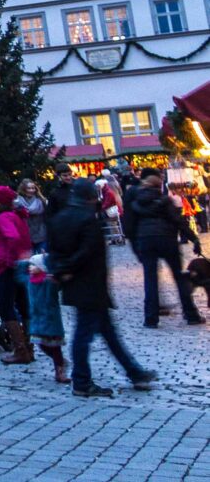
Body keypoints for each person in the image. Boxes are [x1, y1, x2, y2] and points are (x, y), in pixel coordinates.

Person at [47, 178, 154, 397]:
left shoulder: (59, 219)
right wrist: (68, 268)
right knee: (83, 335)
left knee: (108, 333)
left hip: (75, 283)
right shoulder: (87, 219)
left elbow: (54, 250)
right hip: (90, 284)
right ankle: (82, 382)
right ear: (90, 197)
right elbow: (87, 252)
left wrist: (60, 271)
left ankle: (135, 373)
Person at [127, 167, 205, 327]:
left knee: (150, 279)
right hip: (167, 240)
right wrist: (194, 239)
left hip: (146, 241)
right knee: (179, 277)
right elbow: (178, 221)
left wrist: (136, 248)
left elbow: (130, 227)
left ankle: (150, 318)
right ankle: (191, 315)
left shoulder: (136, 203)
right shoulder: (165, 201)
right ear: (158, 186)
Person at [0, 185, 33, 363]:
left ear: (0, 202)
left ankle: (20, 350)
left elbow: (12, 238)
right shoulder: (16, 215)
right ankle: (29, 348)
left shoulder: (4, 217)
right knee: (24, 305)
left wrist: (5, 258)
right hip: (21, 265)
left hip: (8, 268)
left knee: (5, 307)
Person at [23, 253, 69, 383]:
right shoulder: (30, 280)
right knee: (41, 344)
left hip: (50, 319)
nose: (30, 267)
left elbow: (56, 289)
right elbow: (20, 274)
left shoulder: (48, 282)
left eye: (34, 265)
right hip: (37, 319)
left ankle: (59, 371)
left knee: (55, 348)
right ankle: (60, 364)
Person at [16, 179, 48, 254]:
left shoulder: (42, 201)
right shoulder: (17, 202)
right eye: (29, 188)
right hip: (25, 237)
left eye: (33, 188)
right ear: (24, 189)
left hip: (41, 235)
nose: (31, 190)